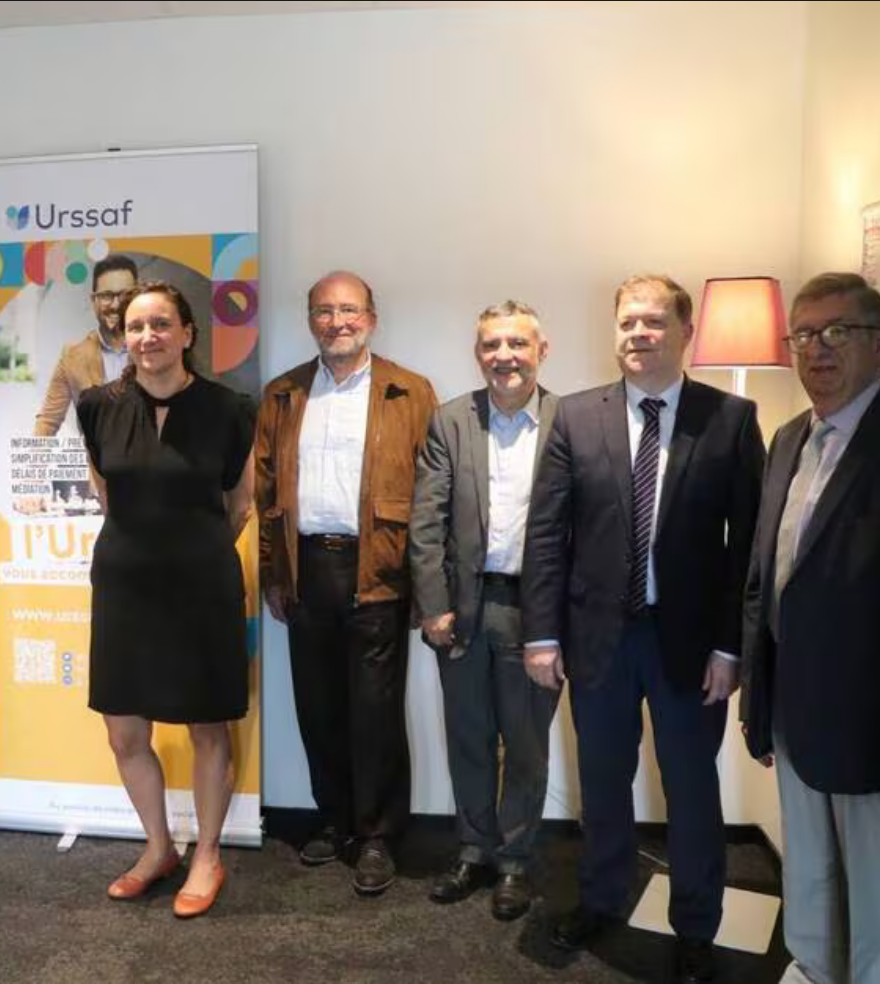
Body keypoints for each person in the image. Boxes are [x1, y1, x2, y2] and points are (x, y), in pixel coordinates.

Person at [521, 274, 764, 984]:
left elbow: (746, 549)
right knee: (603, 780)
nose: (638, 334)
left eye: (653, 322)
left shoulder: (730, 419)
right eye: (627, 321)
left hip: (688, 643)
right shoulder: (575, 415)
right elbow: (547, 534)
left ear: (685, 332)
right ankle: (602, 900)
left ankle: (696, 927)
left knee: (691, 789)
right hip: (598, 639)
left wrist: (730, 645)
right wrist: (542, 634)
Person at [741, 273, 880, 984]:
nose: (818, 349)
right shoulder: (788, 438)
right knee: (810, 889)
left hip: (878, 738)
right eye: (804, 335)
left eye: (839, 331)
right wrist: (759, 705)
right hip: (796, 721)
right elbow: (767, 579)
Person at [75, 280, 255, 919]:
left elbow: (240, 505)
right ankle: (158, 849)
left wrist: (190, 553)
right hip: (124, 586)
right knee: (125, 730)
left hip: (202, 588)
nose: (147, 336)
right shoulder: (95, 406)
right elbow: (105, 492)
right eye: (135, 326)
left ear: (186, 333)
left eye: (159, 324)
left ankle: (207, 854)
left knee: (208, 725)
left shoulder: (230, 409)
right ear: (123, 337)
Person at [255, 271, 436, 896]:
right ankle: (334, 819)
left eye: (349, 310)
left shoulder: (409, 391)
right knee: (318, 705)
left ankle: (378, 833)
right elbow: (264, 490)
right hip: (307, 568)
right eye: (324, 311)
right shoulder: (283, 394)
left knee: (376, 710)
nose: (338, 322)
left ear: (372, 318)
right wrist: (273, 573)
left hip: (379, 566)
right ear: (310, 321)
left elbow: (431, 493)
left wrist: (426, 581)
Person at [408, 300, 560, 920]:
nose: (505, 356)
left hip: (535, 614)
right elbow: (426, 521)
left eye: (517, 344)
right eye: (492, 345)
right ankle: (473, 849)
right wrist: (433, 606)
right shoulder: (451, 420)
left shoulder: (570, 421)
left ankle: (515, 861)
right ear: (478, 355)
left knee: (525, 745)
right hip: (464, 611)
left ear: (541, 351)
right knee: (468, 737)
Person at [34, 254, 139, 436]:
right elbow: (48, 420)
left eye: (125, 295)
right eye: (107, 296)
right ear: (93, 301)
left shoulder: (157, 346)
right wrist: (35, 453)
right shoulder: (71, 357)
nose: (116, 305)